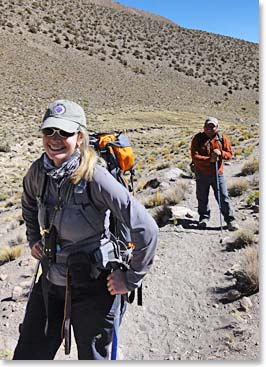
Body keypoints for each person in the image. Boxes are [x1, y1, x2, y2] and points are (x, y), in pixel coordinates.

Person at [13, 99, 158, 360]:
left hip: (93, 284)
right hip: (49, 281)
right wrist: (34, 237)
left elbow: (146, 228)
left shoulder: (95, 177)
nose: (55, 139)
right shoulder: (38, 172)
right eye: (49, 131)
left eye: (64, 133)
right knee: (28, 355)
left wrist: (130, 279)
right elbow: (28, 204)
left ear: (79, 137)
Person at [190, 116, 239, 231]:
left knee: (223, 196)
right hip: (201, 174)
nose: (209, 129)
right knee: (202, 197)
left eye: (212, 127)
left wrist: (220, 153)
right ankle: (204, 218)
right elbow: (195, 157)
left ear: (217, 128)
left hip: (218, 173)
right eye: (207, 126)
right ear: (203, 127)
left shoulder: (222, 138)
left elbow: (229, 155)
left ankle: (230, 220)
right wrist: (209, 160)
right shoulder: (197, 139)